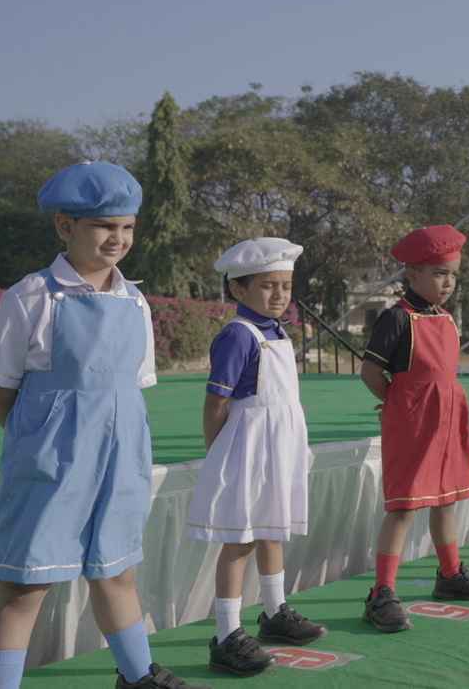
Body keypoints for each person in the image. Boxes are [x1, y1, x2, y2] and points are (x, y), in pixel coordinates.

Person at [0, 162, 206, 688]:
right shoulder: (32, 295)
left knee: (116, 569)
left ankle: (137, 675)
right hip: (51, 459)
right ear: (65, 226)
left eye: (127, 227)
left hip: (122, 456)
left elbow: (133, 384)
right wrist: (38, 441)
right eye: (103, 226)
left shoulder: (134, 300)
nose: (117, 238)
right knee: (24, 583)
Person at [188, 238, 326, 677]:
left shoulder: (277, 332)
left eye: (285, 285)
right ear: (238, 289)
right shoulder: (238, 335)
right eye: (268, 285)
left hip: (278, 448)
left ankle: (274, 610)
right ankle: (227, 633)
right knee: (240, 539)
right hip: (247, 450)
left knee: (271, 530)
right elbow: (217, 403)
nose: (280, 294)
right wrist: (219, 454)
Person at [360, 225, 469, 633]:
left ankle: (450, 573)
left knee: (446, 499)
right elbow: (370, 371)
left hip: (448, 419)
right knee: (403, 506)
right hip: (413, 422)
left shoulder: (446, 318)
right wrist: (396, 401)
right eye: (439, 273)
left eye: (452, 274)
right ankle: (381, 592)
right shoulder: (396, 318)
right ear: (413, 274)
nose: (448, 282)